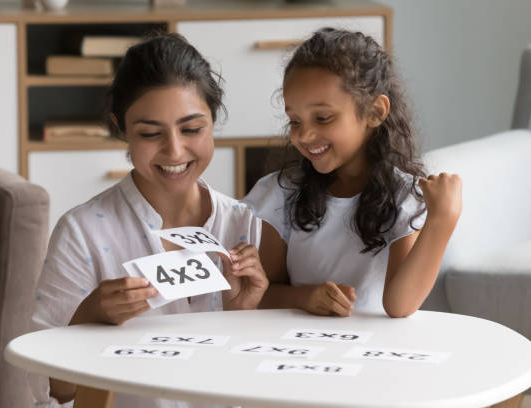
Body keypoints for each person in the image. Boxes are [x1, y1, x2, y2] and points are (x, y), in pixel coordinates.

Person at [30, 33, 268, 408]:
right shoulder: (82, 232)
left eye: (192, 129)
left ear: (214, 118)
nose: (174, 151)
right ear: (121, 127)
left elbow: (268, 379)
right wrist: (87, 320)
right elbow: (49, 395)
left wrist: (242, 318)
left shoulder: (247, 226)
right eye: (150, 133)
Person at [244, 28, 462, 318]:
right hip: (293, 348)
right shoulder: (281, 193)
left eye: (323, 118)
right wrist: (304, 297)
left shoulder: (403, 199)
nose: (305, 134)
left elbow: (400, 306)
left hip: (371, 353)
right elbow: (260, 293)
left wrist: (442, 219)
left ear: (374, 112)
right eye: (295, 120)